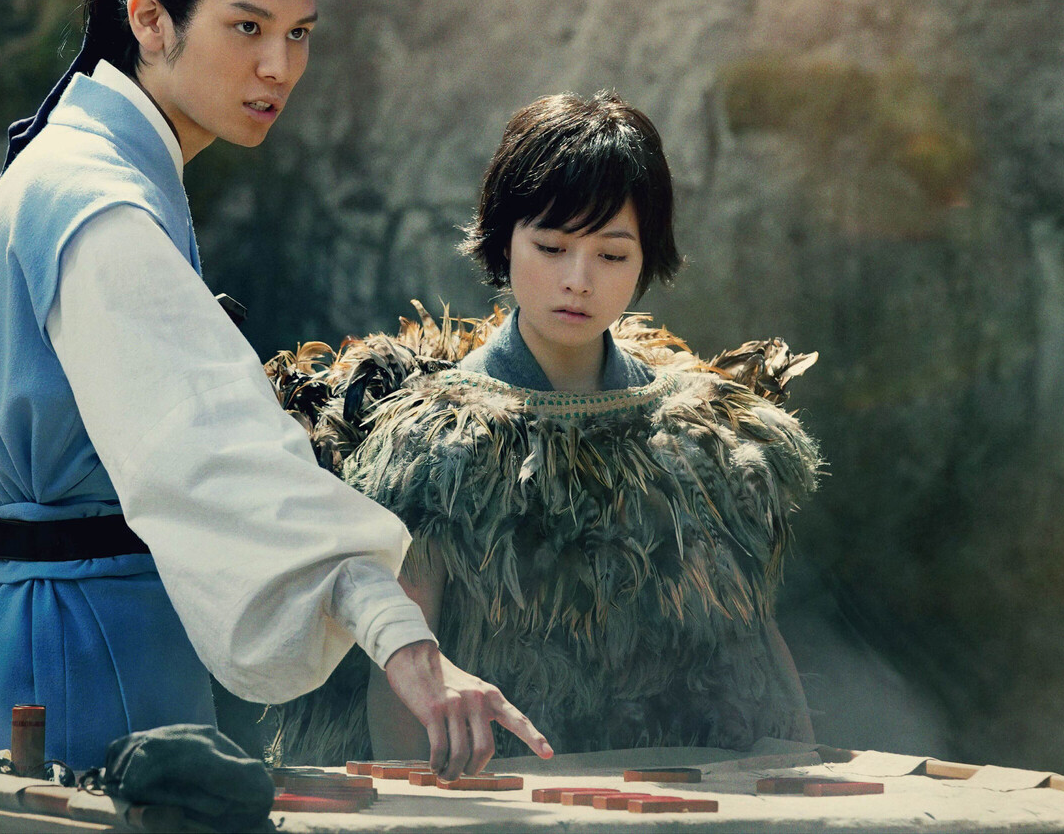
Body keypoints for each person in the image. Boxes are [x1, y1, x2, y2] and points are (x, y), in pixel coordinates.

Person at [0, 0, 550, 797]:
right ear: (150, 20)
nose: (279, 66)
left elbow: (59, 458)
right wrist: (406, 641)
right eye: (247, 27)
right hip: (90, 663)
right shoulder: (100, 204)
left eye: (301, 33)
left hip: (47, 640)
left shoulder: (79, 170)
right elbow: (213, 449)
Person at [271, 91, 820, 764]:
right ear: (504, 239)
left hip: (680, 792)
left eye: (612, 255)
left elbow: (755, 643)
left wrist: (801, 781)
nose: (578, 280)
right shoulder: (432, 441)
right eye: (552, 247)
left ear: (647, 257)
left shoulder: (705, 436)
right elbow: (407, 677)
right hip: (496, 795)